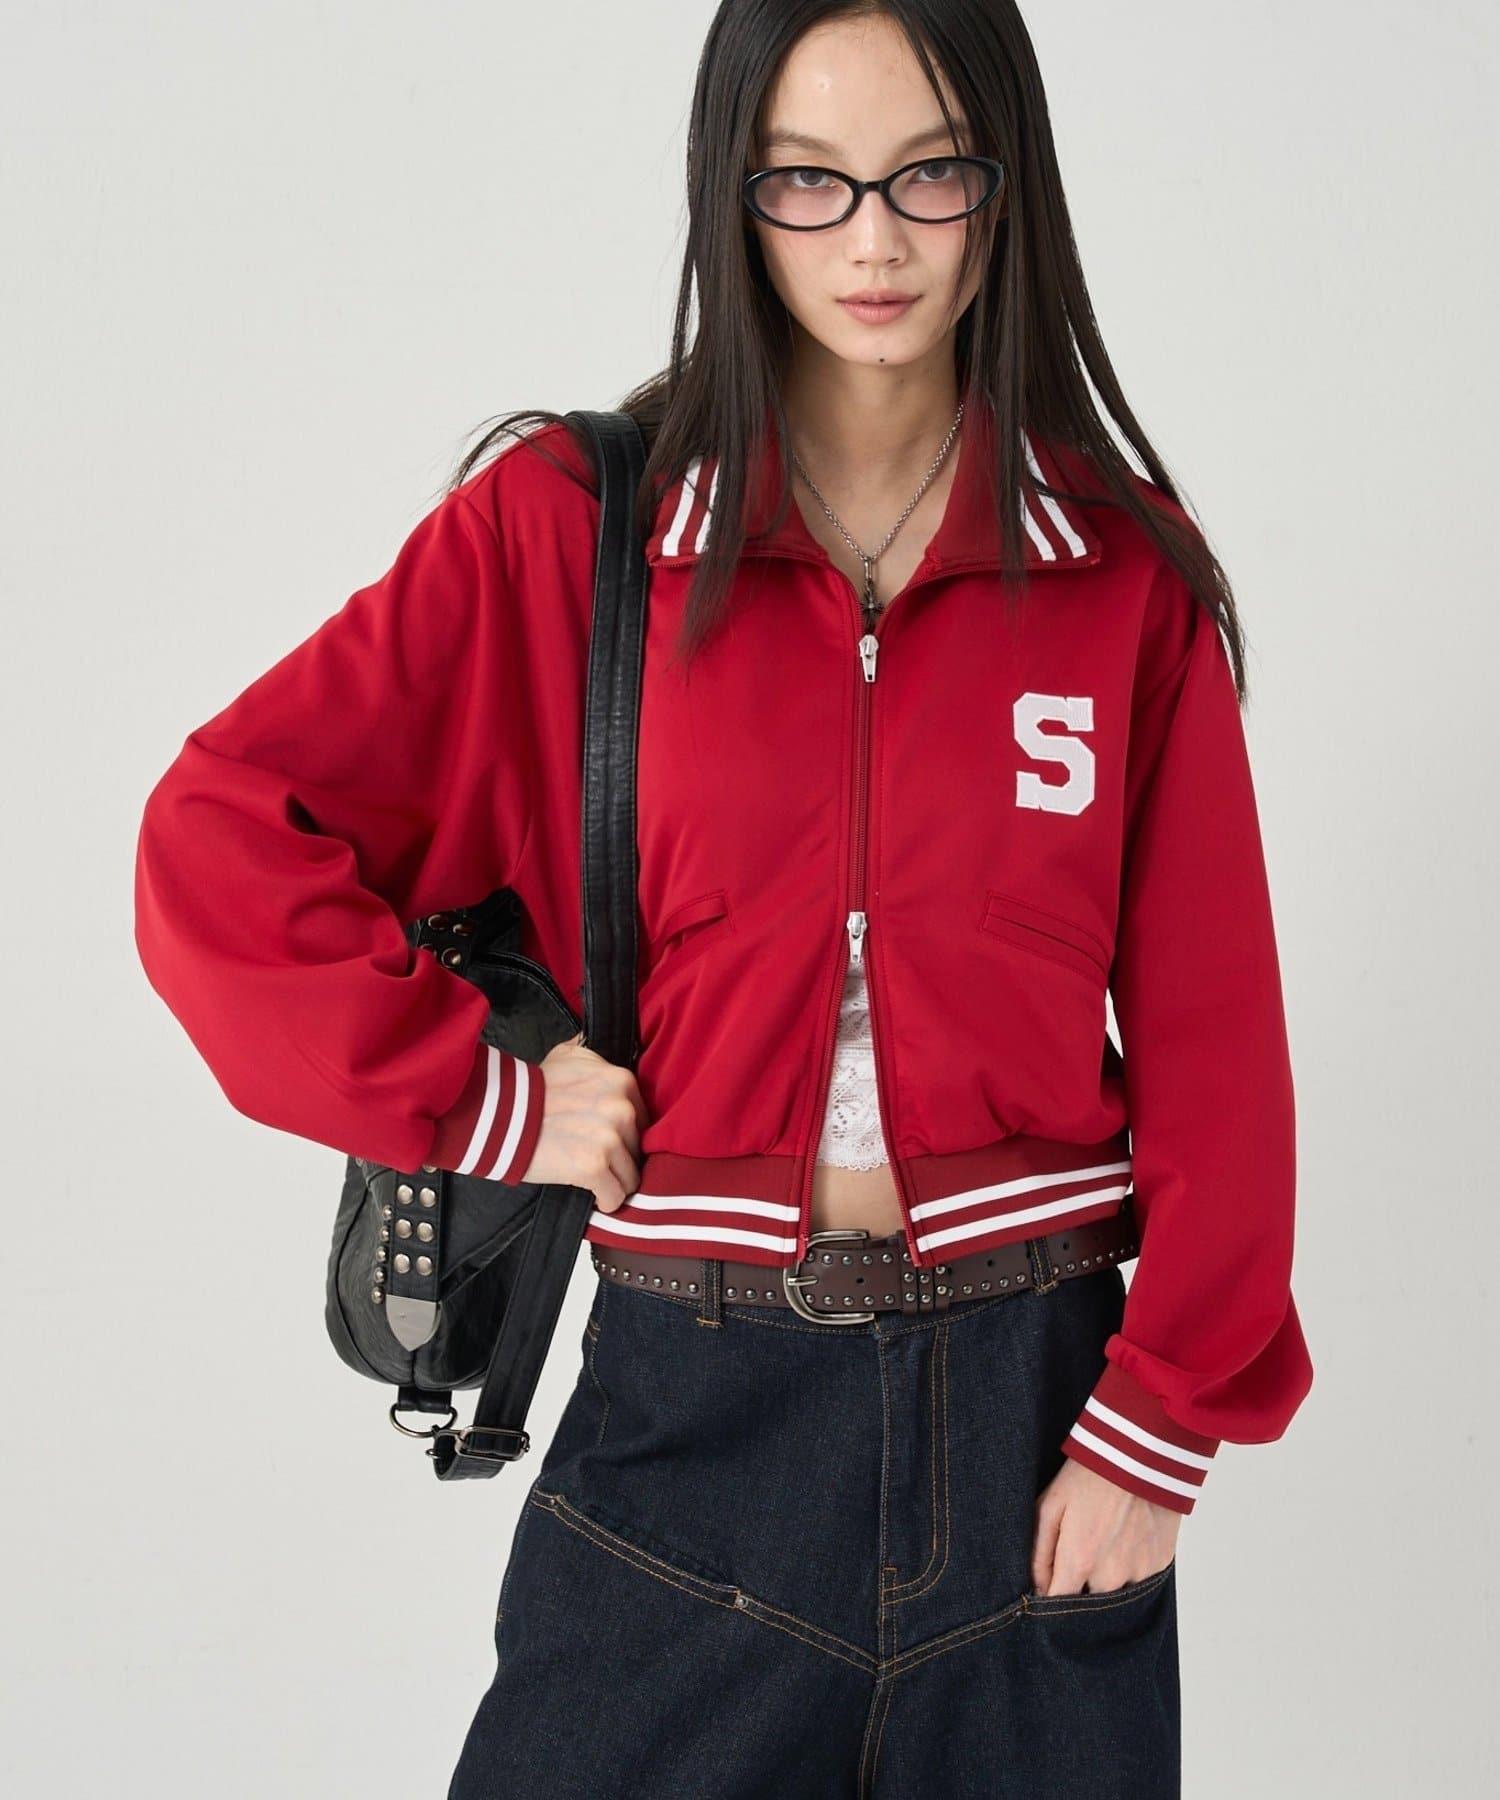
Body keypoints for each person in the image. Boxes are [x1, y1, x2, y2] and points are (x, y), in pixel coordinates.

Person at [133, 2, 1313, 1794]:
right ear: (731, 193)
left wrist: (1163, 1423)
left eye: (928, 174)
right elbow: (220, 836)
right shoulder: (573, 532)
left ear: (1005, 184)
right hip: (688, 1436)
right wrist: (483, 1097)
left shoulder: (1118, 574)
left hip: (1040, 1442)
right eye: (807, 181)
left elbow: (1219, 1035)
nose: (873, 240)